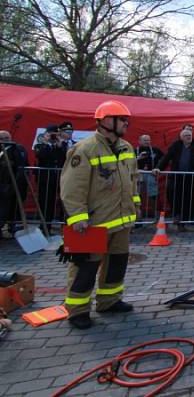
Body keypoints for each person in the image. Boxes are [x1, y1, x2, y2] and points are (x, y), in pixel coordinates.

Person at [58, 100, 139, 329]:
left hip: (121, 222)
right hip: (93, 223)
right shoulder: (85, 149)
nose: (126, 123)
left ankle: (109, 301)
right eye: (122, 119)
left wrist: (135, 206)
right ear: (106, 121)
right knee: (85, 268)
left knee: (117, 263)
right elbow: (72, 188)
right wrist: (77, 217)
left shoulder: (126, 147)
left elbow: (132, 181)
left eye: (126, 120)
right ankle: (77, 310)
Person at [153, 129, 194, 231]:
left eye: (190, 135)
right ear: (181, 137)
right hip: (177, 175)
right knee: (171, 192)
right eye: (186, 135)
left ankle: (183, 221)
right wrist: (159, 167)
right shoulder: (176, 145)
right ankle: (176, 214)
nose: (189, 137)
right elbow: (167, 157)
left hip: (190, 177)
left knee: (187, 198)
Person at [33, 124, 67, 228]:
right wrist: (47, 143)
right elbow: (40, 155)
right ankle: (45, 226)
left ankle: (63, 225)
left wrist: (60, 145)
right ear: (46, 134)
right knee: (46, 202)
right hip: (46, 179)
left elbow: (67, 157)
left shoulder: (62, 145)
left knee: (64, 201)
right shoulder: (40, 145)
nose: (54, 137)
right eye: (52, 134)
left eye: (56, 134)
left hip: (60, 178)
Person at [0, 131, 28, 238]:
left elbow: (22, 167)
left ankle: (11, 228)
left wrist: (14, 184)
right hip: (3, 184)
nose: (4, 140)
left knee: (11, 209)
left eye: (6, 138)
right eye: (2, 138)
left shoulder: (17, 149)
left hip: (12, 184)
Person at [135, 135, 163, 218]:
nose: (147, 142)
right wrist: (138, 158)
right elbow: (128, 162)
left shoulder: (155, 150)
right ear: (139, 141)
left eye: (148, 140)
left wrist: (158, 168)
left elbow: (164, 159)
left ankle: (158, 217)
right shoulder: (134, 150)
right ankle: (138, 217)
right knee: (137, 196)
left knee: (153, 195)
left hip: (150, 174)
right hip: (138, 174)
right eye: (145, 140)